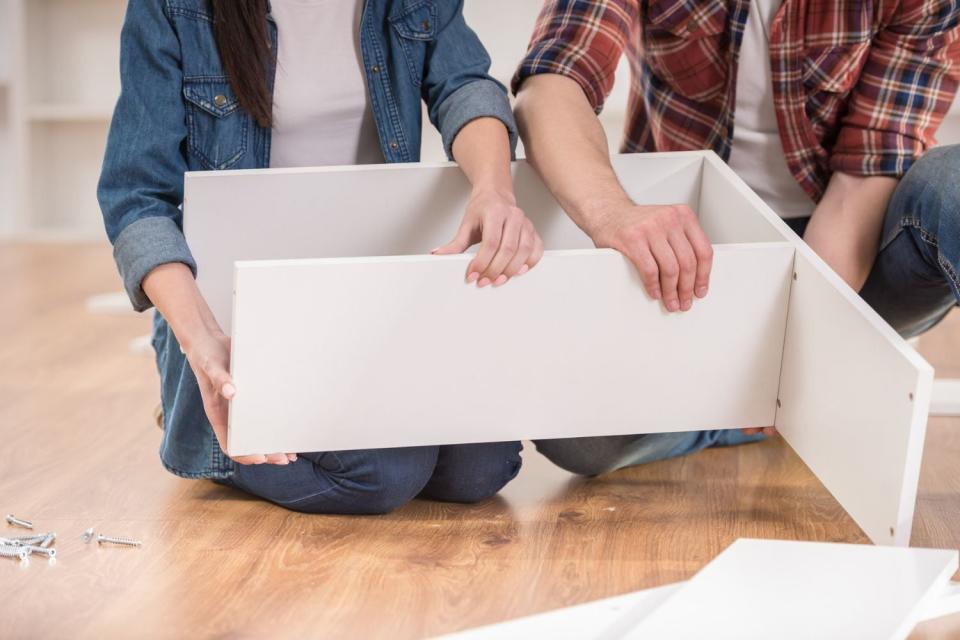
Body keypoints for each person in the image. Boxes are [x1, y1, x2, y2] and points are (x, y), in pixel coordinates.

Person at [97, 0, 544, 513]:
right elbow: (135, 195)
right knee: (383, 472)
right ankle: (194, 423)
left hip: (371, 293)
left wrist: (494, 188)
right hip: (240, 315)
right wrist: (202, 343)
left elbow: (464, 84)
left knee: (482, 467)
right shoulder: (173, 8)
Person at [512, 0, 960, 475]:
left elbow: (862, 179)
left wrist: (797, 352)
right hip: (690, 259)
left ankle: (790, 391)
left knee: (952, 184)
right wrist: (613, 213)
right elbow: (551, 83)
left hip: (849, 254)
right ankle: (772, 408)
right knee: (576, 437)